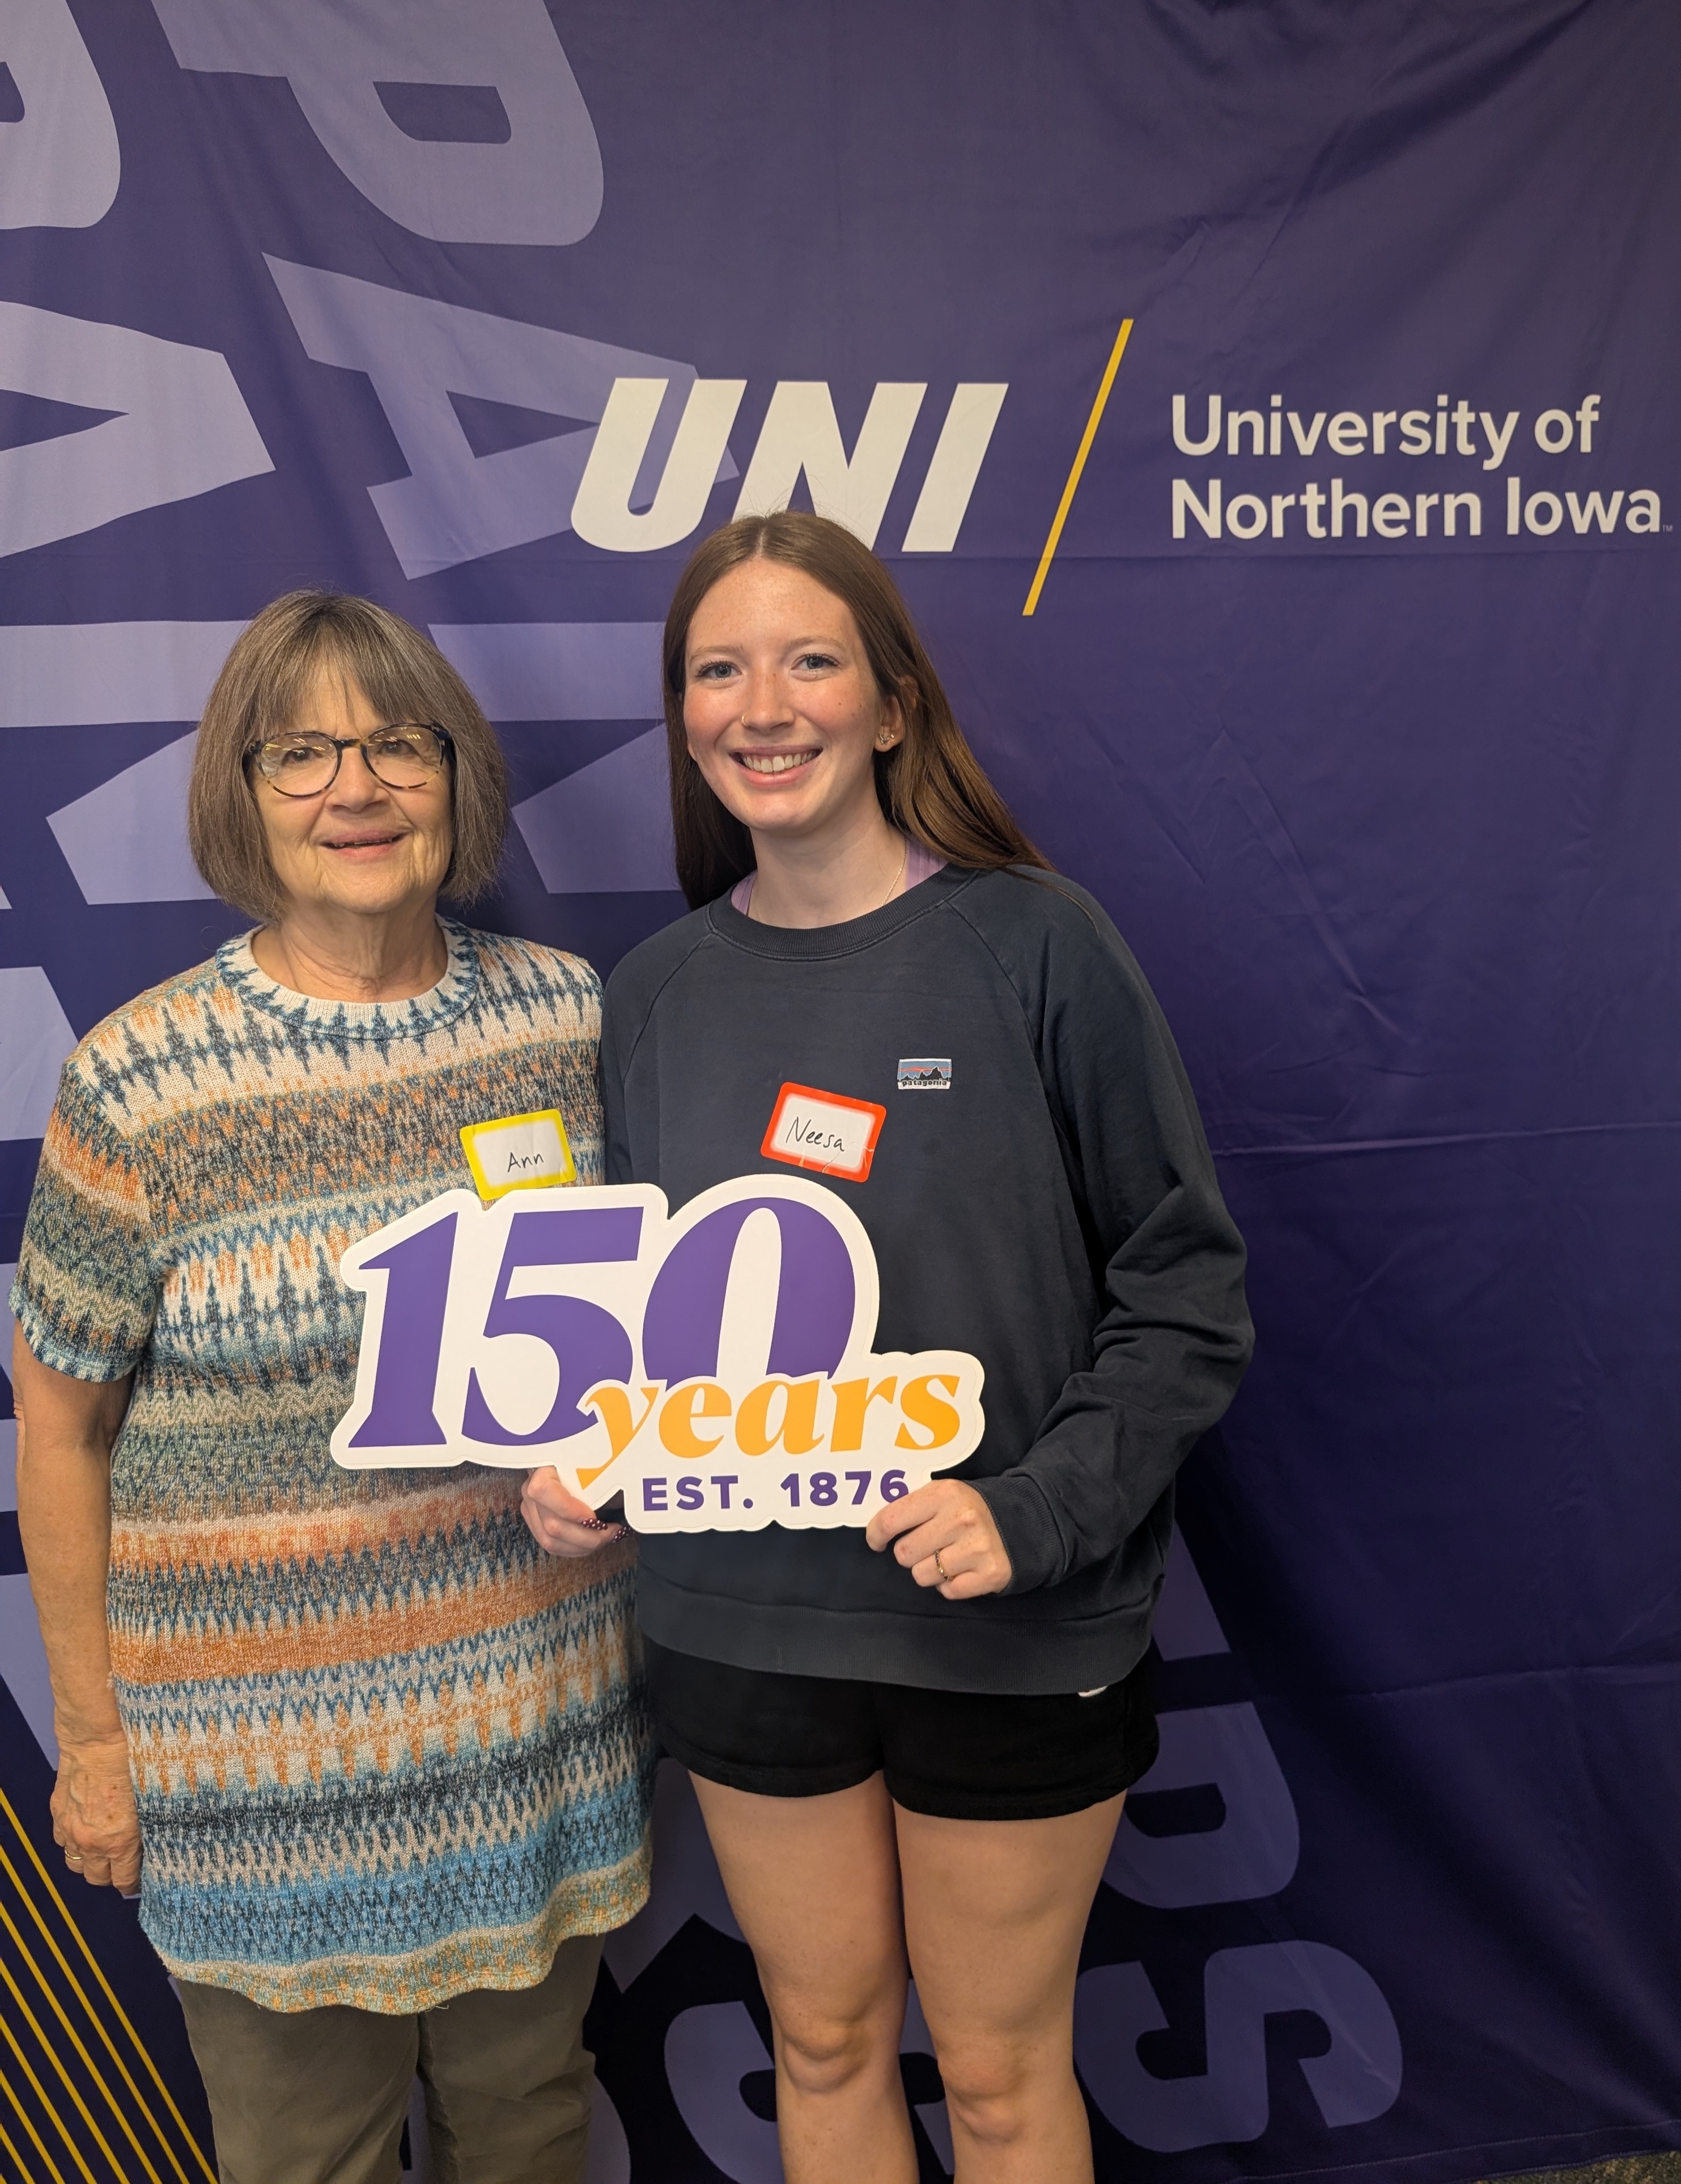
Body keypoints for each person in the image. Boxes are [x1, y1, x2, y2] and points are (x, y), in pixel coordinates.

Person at [521, 512, 1254, 2183]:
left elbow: (1186, 1289)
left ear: (894, 703)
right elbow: (644, 1313)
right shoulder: (654, 993)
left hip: (1008, 1622)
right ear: (684, 715)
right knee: (827, 2042)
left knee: (998, 2081)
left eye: (809, 660)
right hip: (746, 1618)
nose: (760, 705)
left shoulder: (1035, 943)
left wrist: (1035, 1507)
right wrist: (590, 1462)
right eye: (717, 668)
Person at [13, 591, 648, 2184]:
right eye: (300, 753)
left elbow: (653, 1342)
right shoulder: (147, 1078)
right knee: (310, 2167)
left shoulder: (571, 1024)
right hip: (258, 1782)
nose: (353, 789)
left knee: (532, 2130)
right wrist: (94, 1747)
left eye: (394, 745)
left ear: (456, 777)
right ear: (241, 791)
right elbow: (61, 1422)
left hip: (528, 1734)